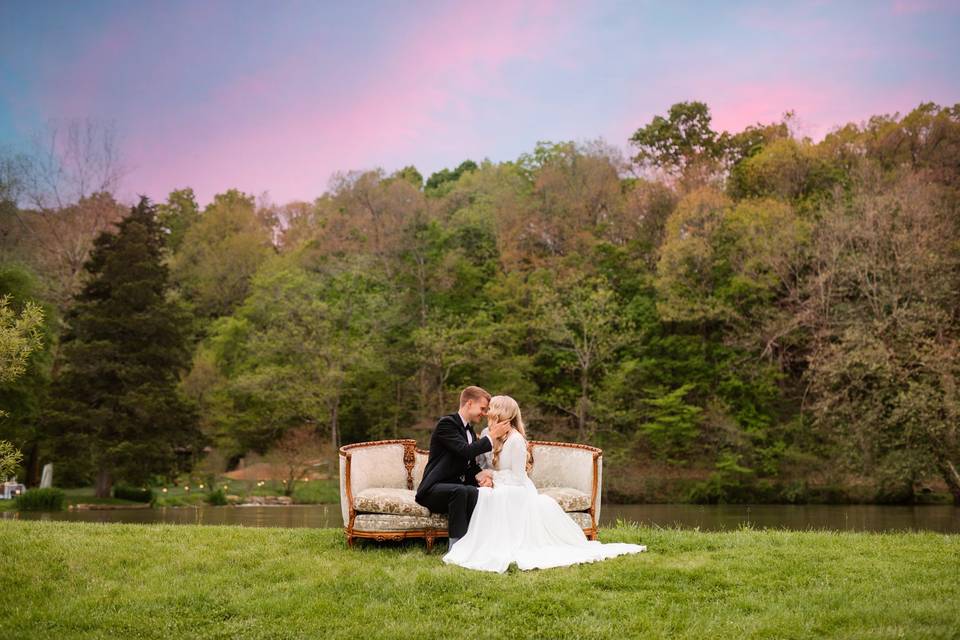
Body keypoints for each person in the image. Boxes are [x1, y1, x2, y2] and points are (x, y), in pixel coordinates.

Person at [443, 394, 647, 573]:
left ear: (501, 413)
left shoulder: (516, 441)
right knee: (486, 494)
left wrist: (492, 477)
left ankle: (499, 545)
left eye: (490, 409)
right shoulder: (488, 434)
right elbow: (483, 463)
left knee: (494, 496)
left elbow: (518, 477)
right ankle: (478, 544)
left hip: (517, 489)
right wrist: (486, 476)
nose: (486, 413)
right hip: (500, 485)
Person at [415, 386, 511, 546]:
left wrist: (483, 478)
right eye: (482, 408)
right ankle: (456, 547)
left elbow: (470, 464)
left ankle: (474, 544)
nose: (485, 413)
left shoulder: (470, 432)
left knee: (474, 491)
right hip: (433, 490)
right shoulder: (446, 424)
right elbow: (465, 451)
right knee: (460, 491)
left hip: (455, 488)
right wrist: (492, 436)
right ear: (469, 403)